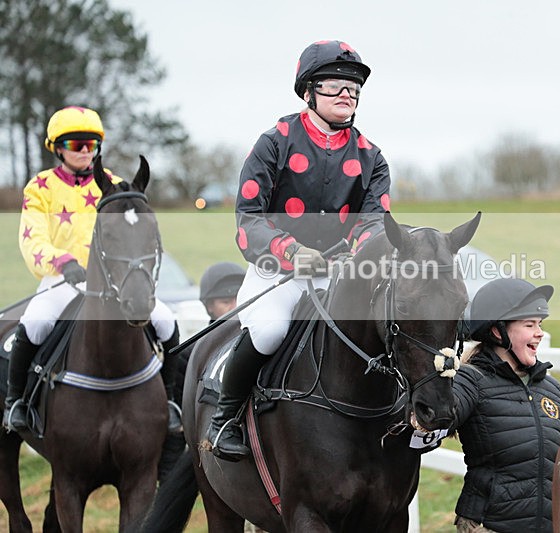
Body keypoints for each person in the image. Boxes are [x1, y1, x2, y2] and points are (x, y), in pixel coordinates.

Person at [207, 40, 391, 462]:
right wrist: (291, 251)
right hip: (277, 271)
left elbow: (374, 225)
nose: (347, 93)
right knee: (270, 330)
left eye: (354, 88)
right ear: (308, 91)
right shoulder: (274, 142)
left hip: (339, 274)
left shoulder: (372, 157)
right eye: (335, 85)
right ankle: (225, 419)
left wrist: (355, 254)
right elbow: (247, 219)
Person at [2, 106, 182, 434]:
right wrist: (63, 263)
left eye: (91, 145)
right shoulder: (39, 187)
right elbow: (32, 240)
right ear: (58, 148)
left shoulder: (114, 184)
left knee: (167, 322)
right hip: (63, 279)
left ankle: (170, 401)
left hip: (115, 282)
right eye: (75, 145)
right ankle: (16, 401)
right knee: (36, 321)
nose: (85, 151)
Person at [450, 278, 560, 533]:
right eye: (529, 325)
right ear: (498, 332)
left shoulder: (551, 389)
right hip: (489, 525)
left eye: (539, 324)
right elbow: (440, 418)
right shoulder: (470, 379)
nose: (539, 333)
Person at [159, 261, 247, 481]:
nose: (235, 307)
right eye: (226, 302)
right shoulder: (188, 355)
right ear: (208, 307)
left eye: (240, 299)